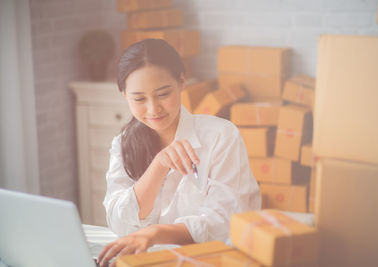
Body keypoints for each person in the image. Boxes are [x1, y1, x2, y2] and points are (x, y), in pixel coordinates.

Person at [97, 39, 261, 267]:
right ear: (125, 95)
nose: (153, 109)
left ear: (181, 82)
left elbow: (224, 223)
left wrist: (155, 233)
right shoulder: (122, 143)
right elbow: (119, 223)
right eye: (139, 99)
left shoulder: (221, 136)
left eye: (163, 94)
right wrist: (158, 166)